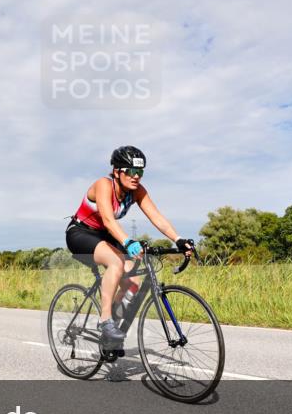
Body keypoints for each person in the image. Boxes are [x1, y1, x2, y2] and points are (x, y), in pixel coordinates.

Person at [65, 146, 195, 345]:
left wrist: (178, 239)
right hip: (80, 233)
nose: (137, 177)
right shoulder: (103, 185)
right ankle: (105, 321)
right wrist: (128, 241)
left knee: (132, 282)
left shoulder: (136, 192)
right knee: (116, 262)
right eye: (132, 172)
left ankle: (110, 335)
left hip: (106, 235)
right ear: (117, 171)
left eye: (140, 173)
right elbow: (108, 220)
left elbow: (156, 217)